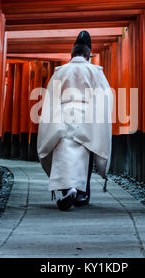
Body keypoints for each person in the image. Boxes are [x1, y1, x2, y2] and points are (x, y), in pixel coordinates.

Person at [37, 31, 113, 211]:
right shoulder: (95, 71)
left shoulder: (60, 72)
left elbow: (51, 98)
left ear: (71, 55)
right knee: (83, 155)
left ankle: (68, 189)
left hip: (62, 115)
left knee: (62, 154)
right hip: (86, 117)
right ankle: (81, 192)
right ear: (88, 55)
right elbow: (104, 98)